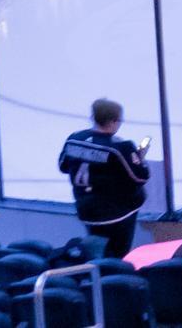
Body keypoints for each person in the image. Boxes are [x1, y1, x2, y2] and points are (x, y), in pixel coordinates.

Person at [58, 98, 150, 257]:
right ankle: (113, 276)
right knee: (116, 255)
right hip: (117, 213)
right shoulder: (120, 147)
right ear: (113, 121)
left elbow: (63, 166)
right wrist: (139, 158)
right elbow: (140, 177)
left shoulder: (74, 138)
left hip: (86, 209)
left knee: (96, 251)